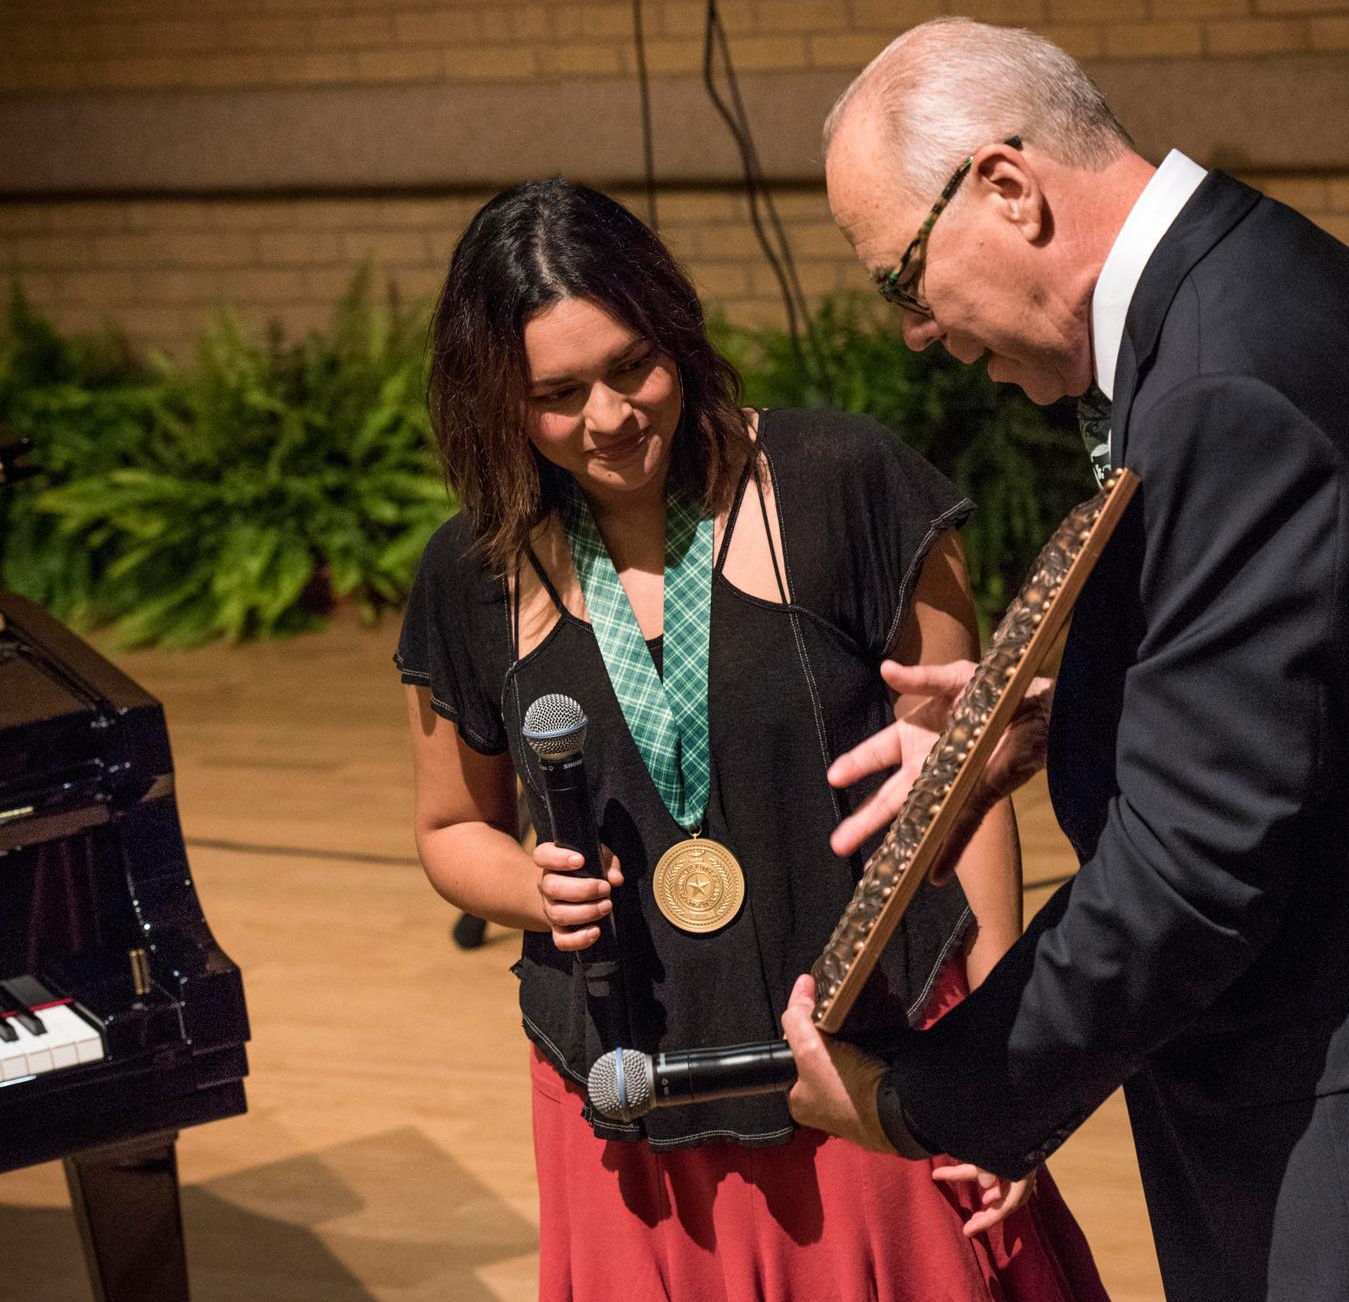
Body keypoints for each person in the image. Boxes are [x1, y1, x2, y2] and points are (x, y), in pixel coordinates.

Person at [781, 18, 1349, 1302]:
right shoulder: (1247, 284)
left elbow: (1191, 872)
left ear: (1007, 186)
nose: (920, 332)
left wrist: (922, 1096)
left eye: (905, 281)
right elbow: (1316, 683)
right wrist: (1075, 712)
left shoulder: (1226, 379)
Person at [397, 177, 1109, 1301]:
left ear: (676, 330)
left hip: (872, 1065)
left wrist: (993, 1068)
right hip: (623, 1101)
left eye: (634, 365)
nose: (610, 416)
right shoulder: (470, 573)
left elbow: (961, 784)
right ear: (496, 400)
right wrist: (534, 889)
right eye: (557, 393)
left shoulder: (844, 482)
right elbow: (450, 827)